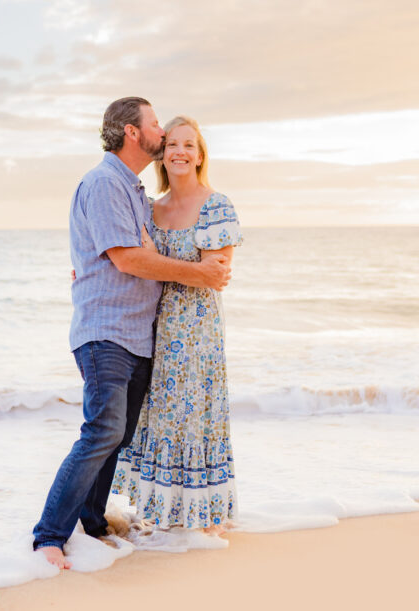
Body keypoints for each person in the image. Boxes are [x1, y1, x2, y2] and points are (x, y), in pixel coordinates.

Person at [32, 98, 231, 569]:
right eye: (156, 124)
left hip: (138, 335)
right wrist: (198, 272)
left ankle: (93, 525)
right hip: (107, 333)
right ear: (131, 132)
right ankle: (48, 538)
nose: (162, 132)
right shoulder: (104, 183)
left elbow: (136, 254)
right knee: (102, 431)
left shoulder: (135, 192)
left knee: (117, 436)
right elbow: (128, 258)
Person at [111, 115, 242, 535]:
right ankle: (161, 513)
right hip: (152, 328)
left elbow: (216, 274)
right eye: (172, 146)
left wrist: (157, 263)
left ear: (200, 155)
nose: (180, 152)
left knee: (194, 416)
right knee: (160, 418)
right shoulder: (150, 209)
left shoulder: (216, 205)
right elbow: (130, 262)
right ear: (162, 156)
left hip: (198, 332)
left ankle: (203, 518)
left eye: (189, 145)